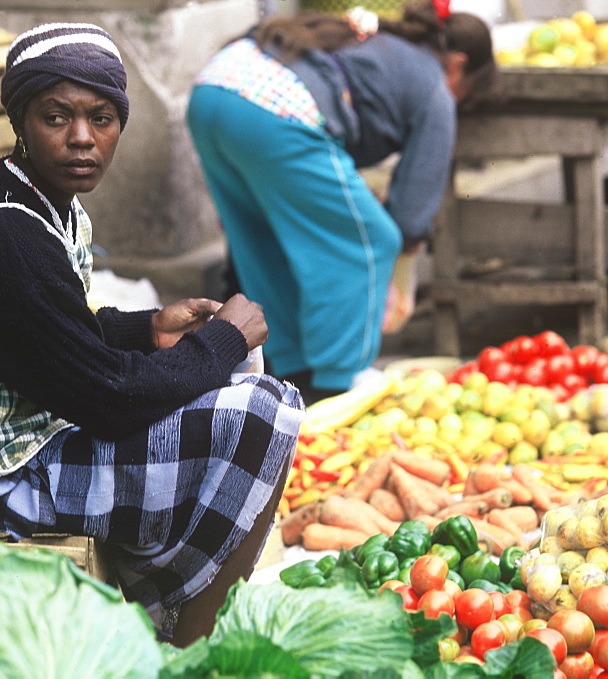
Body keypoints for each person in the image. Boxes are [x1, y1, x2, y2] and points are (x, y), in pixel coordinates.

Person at [0, 23, 305, 646]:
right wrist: (220, 343)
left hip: (22, 432)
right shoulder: (6, 232)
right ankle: (188, 636)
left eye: (101, 118)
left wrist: (146, 328)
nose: (83, 138)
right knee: (266, 412)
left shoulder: (43, 198)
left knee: (234, 394)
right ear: (20, 122)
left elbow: (53, 329)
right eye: (57, 116)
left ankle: (171, 600)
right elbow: (106, 400)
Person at [186, 0, 497, 405]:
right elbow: (408, 220)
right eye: (466, 94)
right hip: (272, 108)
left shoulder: (380, 42)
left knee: (265, 245)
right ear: (457, 65)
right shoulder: (436, 86)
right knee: (370, 242)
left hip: (214, 90)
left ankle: (283, 373)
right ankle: (332, 387)